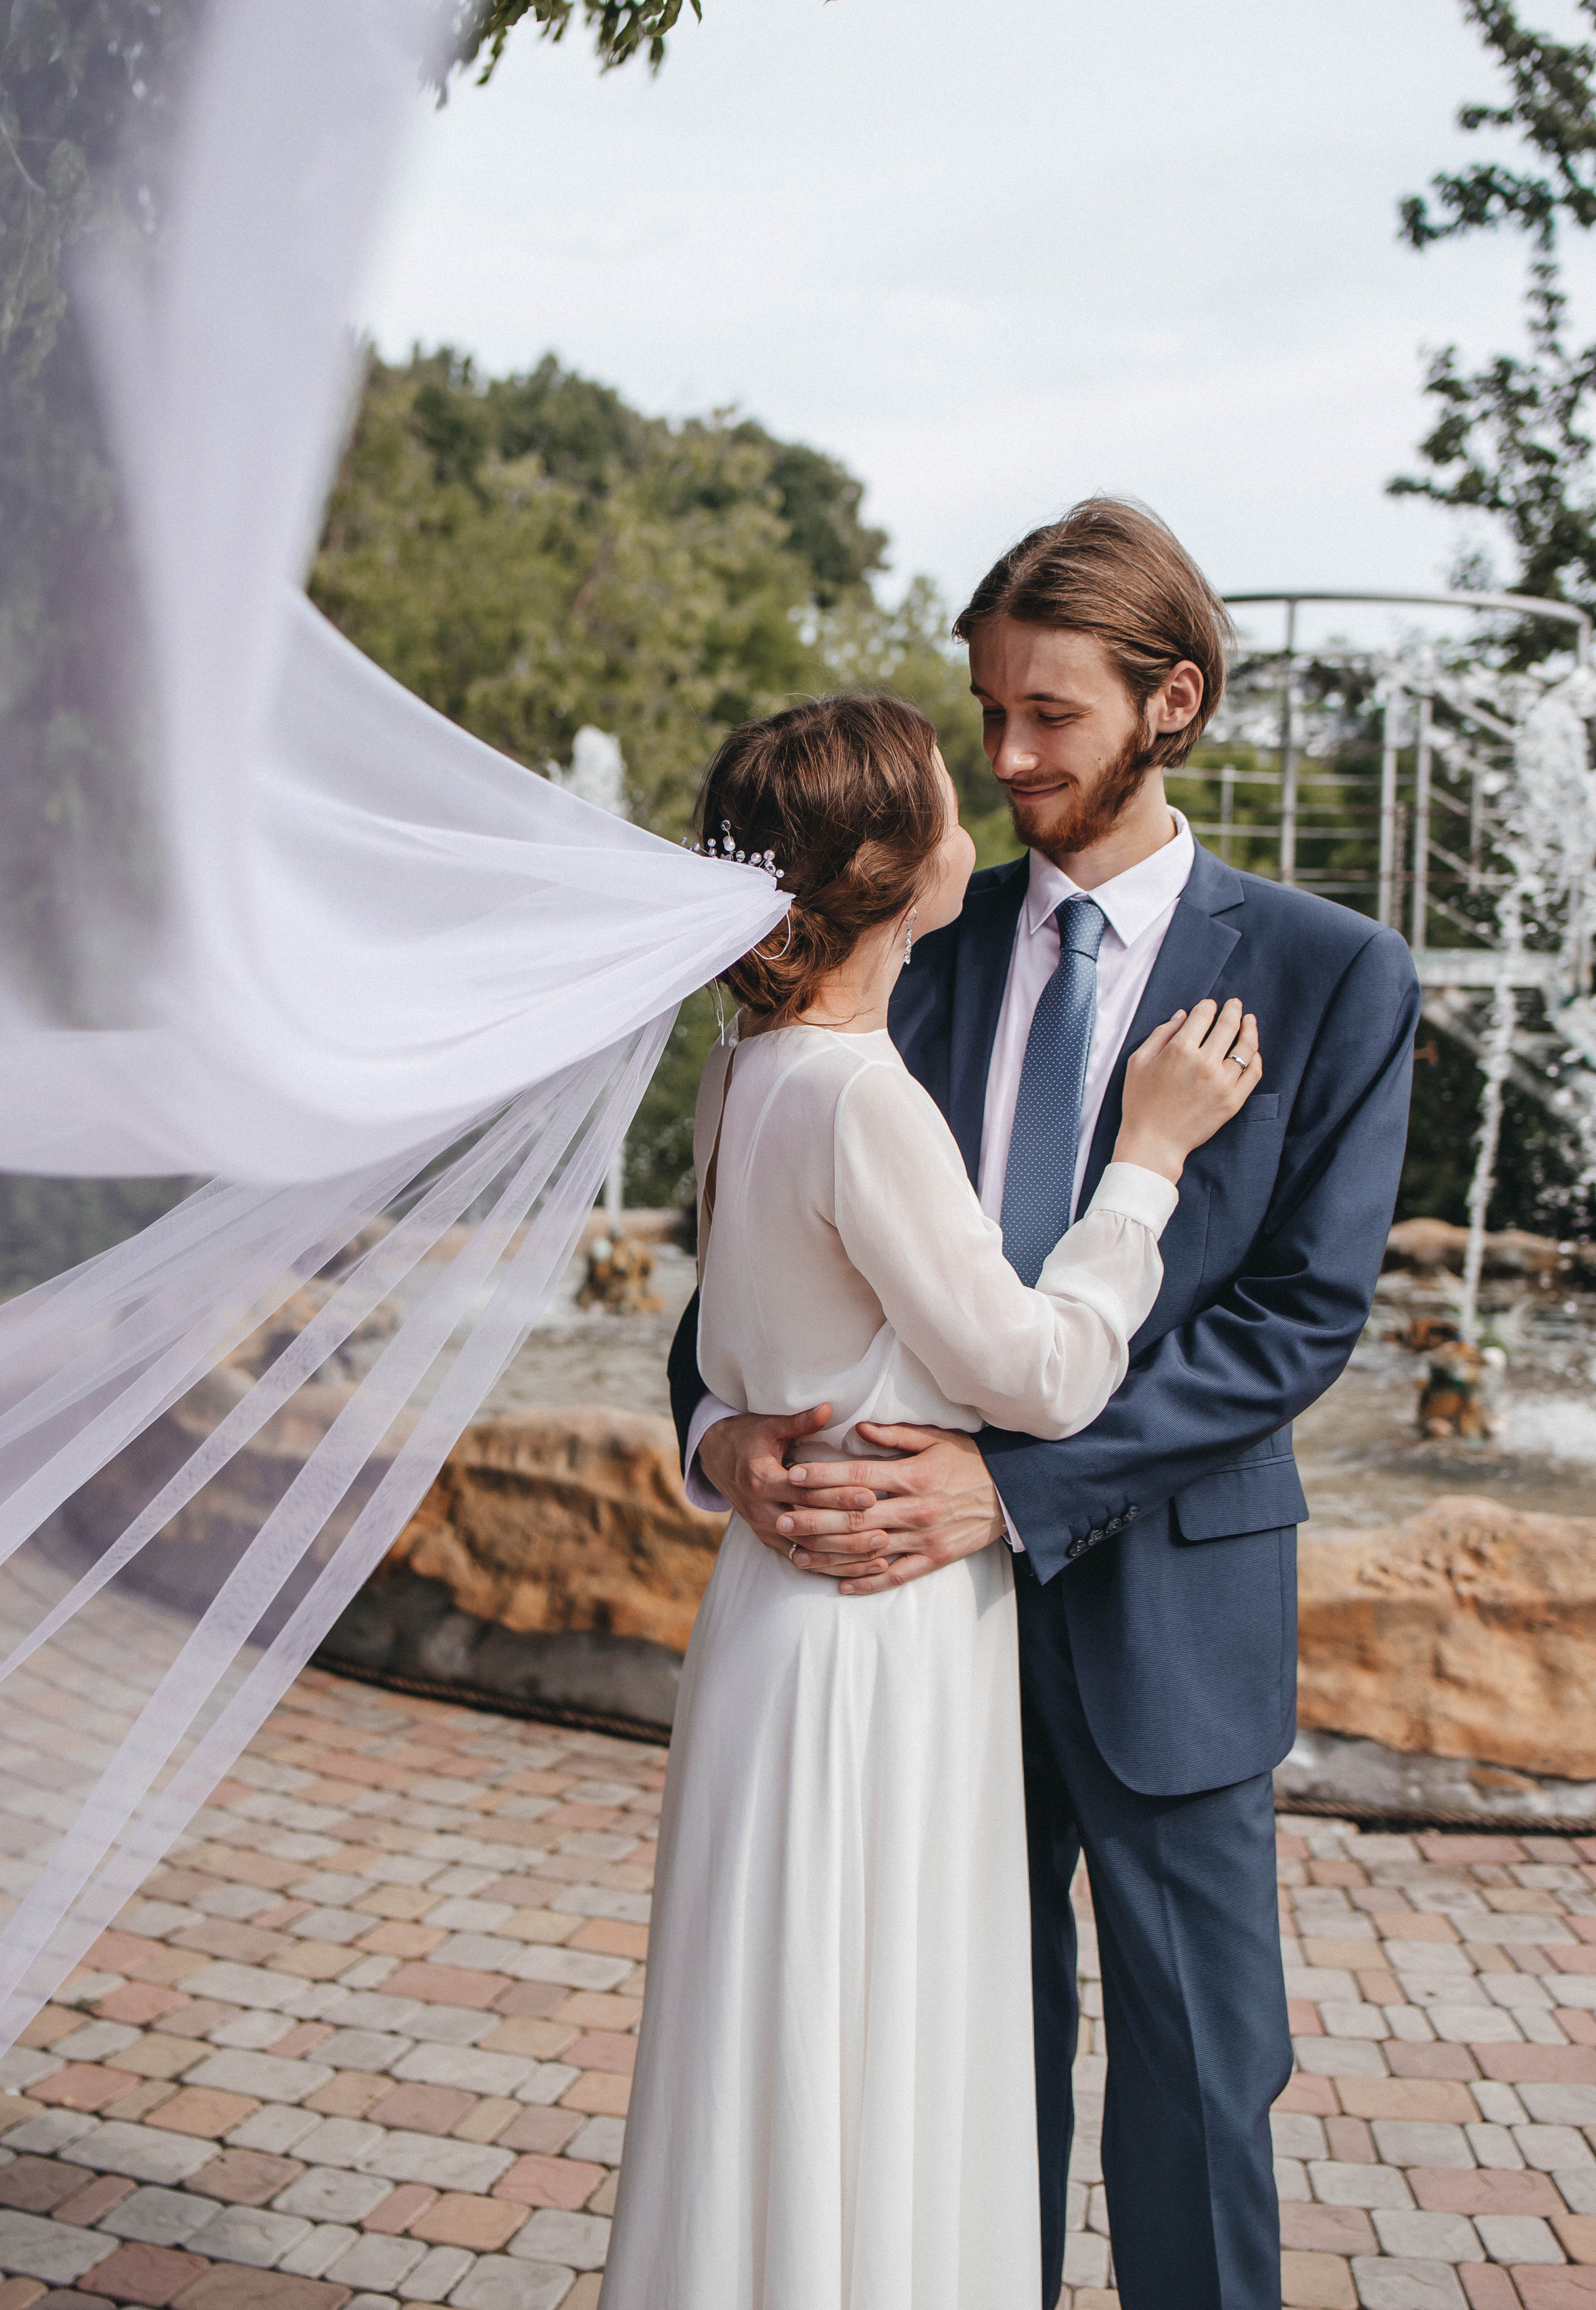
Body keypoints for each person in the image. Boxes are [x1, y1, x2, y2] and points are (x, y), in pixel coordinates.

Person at [671, 500, 1421, 2310]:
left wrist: (1007, 1494)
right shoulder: (899, 932)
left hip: (1170, 1608)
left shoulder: (1331, 976)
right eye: (988, 711)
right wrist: (723, 1431)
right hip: (909, 1643)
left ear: (1170, 704)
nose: (1006, 758)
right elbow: (736, 1269)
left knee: (1199, 2087)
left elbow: (1293, 1320)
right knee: (937, 2080)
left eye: (1051, 717)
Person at [601, 689, 1264, 2309]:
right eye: (946, 793)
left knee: (775, 2036)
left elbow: (772, 1337)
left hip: (774, 1612)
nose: (986, 799)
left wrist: (729, 1443)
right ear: (898, 871)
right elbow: (1037, 1376)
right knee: (868, 2031)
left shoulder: (736, 1069)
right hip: (875, 1637)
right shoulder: (859, 1094)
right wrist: (1148, 1162)